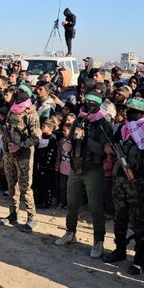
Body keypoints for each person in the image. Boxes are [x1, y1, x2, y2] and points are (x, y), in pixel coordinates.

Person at [102, 98, 144, 274]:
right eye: (127, 110)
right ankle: (120, 250)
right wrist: (108, 148)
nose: (128, 113)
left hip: (139, 184)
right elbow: (112, 144)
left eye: (132, 111)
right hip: (120, 181)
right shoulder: (124, 128)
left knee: (138, 223)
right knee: (119, 218)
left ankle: (139, 259)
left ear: (142, 113)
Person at [55, 89, 113, 257]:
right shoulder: (79, 119)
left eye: (91, 103)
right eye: (86, 102)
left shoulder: (104, 124)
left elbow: (103, 150)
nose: (87, 106)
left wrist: (85, 139)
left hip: (93, 169)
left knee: (95, 207)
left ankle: (98, 241)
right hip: (75, 167)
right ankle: (70, 231)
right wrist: (68, 144)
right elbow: (70, 139)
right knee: (72, 203)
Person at [0, 84, 41, 231]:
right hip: (9, 154)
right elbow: (10, 128)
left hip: (23, 156)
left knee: (25, 188)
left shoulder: (31, 114)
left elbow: (36, 138)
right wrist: (2, 131)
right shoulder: (12, 109)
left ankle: (31, 218)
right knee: (11, 185)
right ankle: (13, 214)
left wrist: (20, 145)